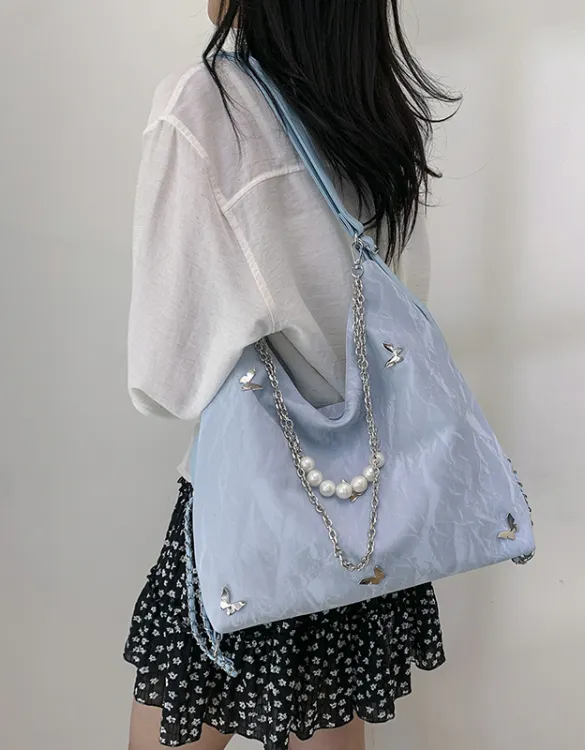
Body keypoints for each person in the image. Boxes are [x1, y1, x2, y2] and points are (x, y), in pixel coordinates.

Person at [125, 1, 458, 748]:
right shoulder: (382, 113)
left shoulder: (207, 107)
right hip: (366, 509)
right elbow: (408, 308)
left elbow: (163, 374)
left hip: (248, 511)